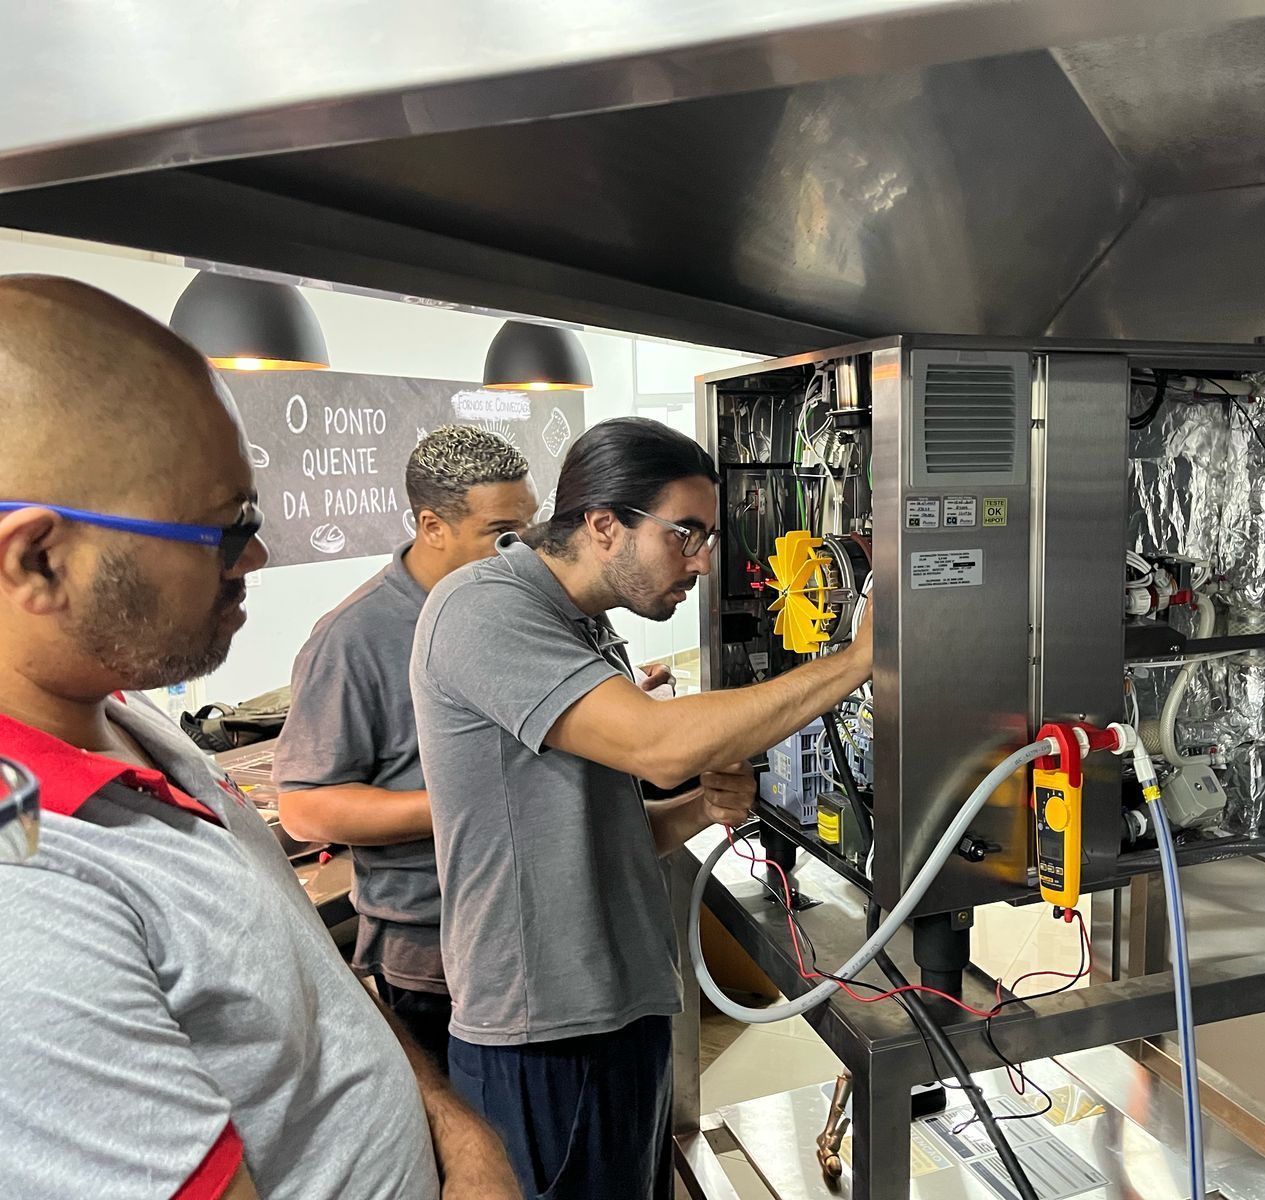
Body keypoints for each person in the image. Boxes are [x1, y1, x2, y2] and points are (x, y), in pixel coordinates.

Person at [0, 276, 517, 1200]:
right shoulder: (26, 892)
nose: (256, 558)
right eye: (223, 528)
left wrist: (450, 1127)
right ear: (39, 560)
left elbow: (310, 989)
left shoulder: (130, 727)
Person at [410, 416, 874, 1200]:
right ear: (602, 525)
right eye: (684, 535)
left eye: (709, 537)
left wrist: (698, 810)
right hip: (545, 1032)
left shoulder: (586, 627)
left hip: (619, 1010)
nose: (702, 561)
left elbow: (602, 828)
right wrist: (864, 658)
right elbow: (658, 745)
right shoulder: (481, 609)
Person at [273, 425, 538, 1070]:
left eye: (530, 529)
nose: (523, 551)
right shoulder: (354, 637)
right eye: (501, 534)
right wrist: (465, 804)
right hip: (434, 960)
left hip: (531, 933)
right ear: (432, 525)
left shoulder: (518, 608)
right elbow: (306, 809)